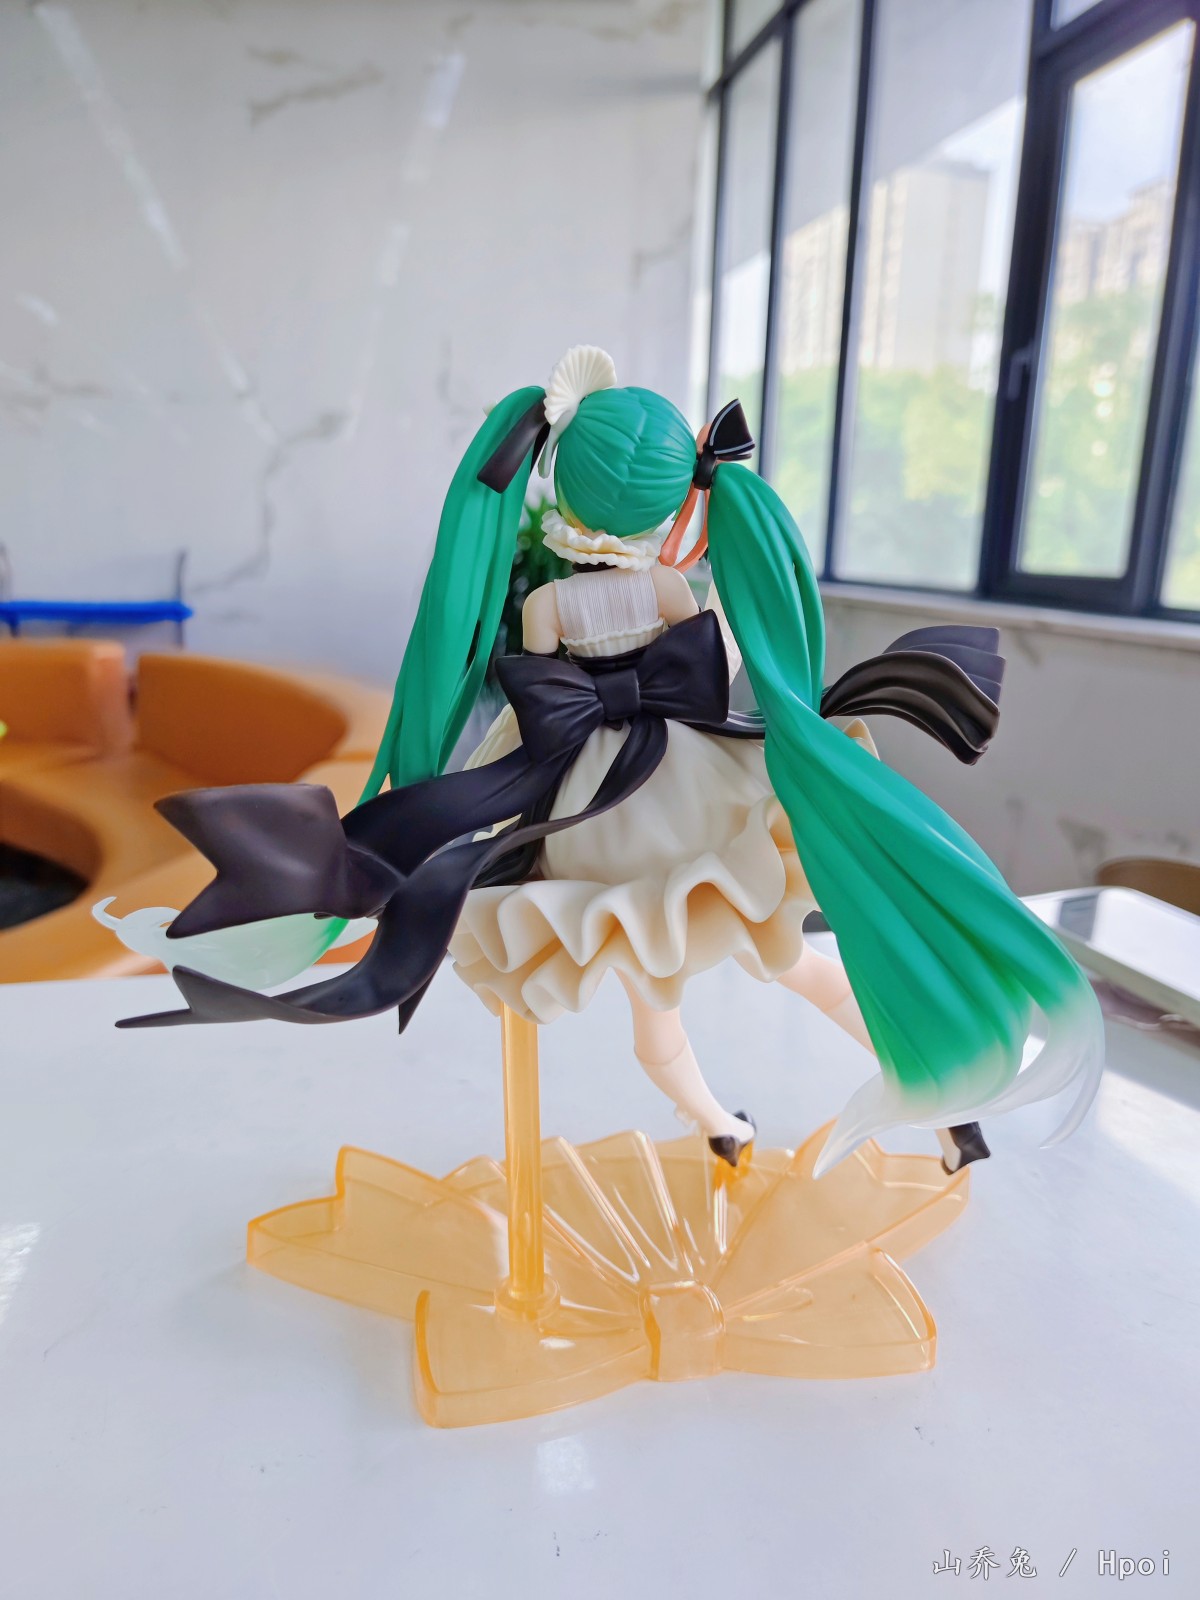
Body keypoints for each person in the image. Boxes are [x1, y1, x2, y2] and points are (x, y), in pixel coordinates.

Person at [100, 346, 1102, 1178]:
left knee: (656, 1009)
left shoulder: (545, 603)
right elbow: (715, 671)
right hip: (697, 792)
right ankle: (941, 1100)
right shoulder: (671, 594)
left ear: (566, 498)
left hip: (596, 821)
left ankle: (720, 1123)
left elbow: (532, 702)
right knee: (798, 964)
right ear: (674, 502)